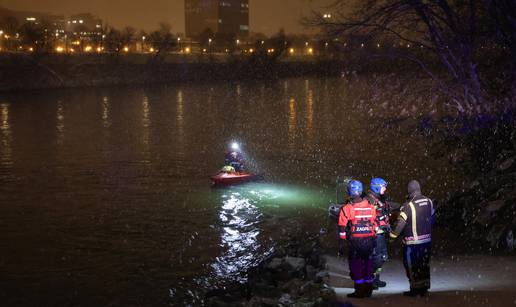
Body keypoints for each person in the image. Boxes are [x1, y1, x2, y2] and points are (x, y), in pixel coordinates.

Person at [390, 180, 434, 297]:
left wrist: (392, 236)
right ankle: (424, 288)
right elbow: (432, 218)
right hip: (427, 241)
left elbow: (400, 225)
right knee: (424, 265)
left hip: (412, 243)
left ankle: (415, 289)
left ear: (409, 190)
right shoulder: (429, 201)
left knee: (412, 266)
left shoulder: (408, 206)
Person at [338, 180, 378, 298]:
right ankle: (368, 289)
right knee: (368, 265)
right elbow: (374, 223)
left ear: (350, 191)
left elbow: (342, 227)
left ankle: (359, 291)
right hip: (370, 241)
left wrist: (342, 242)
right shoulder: (371, 206)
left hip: (356, 243)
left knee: (356, 266)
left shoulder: (347, 208)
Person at [366, 177, 390, 289]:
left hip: (381, 234)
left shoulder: (380, 199)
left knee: (382, 257)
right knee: (375, 258)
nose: (385, 189)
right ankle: (370, 280)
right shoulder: (370, 200)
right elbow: (369, 218)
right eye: (383, 187)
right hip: (374, 235)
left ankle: (376, 278)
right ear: (376, 187)